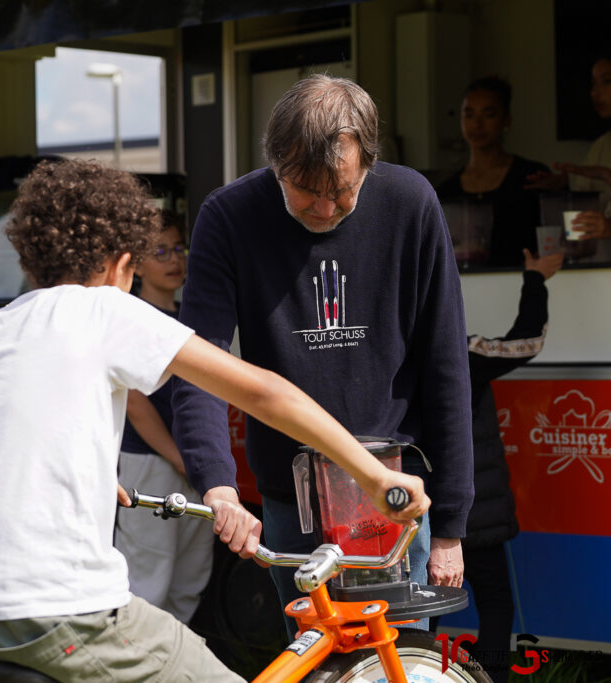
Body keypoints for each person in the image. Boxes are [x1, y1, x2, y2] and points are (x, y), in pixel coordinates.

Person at [0, 159, 429, 682]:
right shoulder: (105, 309)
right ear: (122, 263)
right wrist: (374, 474)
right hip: (52, 608)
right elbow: (264, 392)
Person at [171, 74, 474, 637]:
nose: (326, 206)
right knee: (317, 659)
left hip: (395, 497)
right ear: (276, 161)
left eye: (343, 189)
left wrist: (451, 527)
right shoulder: (230, 215)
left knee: (396, 661)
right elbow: (198, 362)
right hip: (292, 497)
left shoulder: (410, 203)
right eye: (306, 189)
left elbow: (446, 365)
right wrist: (217, 483)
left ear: (369, 163)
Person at [433, 248, 562, 683]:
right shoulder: (464, 354)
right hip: (472, 509)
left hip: (417, 510)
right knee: (495, 603)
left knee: (424, 608)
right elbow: (529, 339)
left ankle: (414, 674)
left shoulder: (390, 360)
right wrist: (535, 278)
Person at [114, 211, 212, 624]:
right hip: (149, 464)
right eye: (160, 252)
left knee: (191, 577)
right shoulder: (129, 316)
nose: (174, 260)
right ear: (134, 263)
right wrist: (178, 456)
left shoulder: (193, 315)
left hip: (192, 464)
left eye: (178, 249)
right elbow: (134, 403)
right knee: (147, 579)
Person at [435, 76, 549, 267]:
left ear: (506, 120)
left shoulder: (532, 177)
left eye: (488, 115)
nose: (476, 124)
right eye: (469, 114)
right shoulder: (447, 191)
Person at [526, 51, 611, 240]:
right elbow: (587, 195)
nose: (595, 92)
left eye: (606, 81)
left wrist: (606, 174)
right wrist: (564, 184)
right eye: (593, 84)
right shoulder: (602, 144)